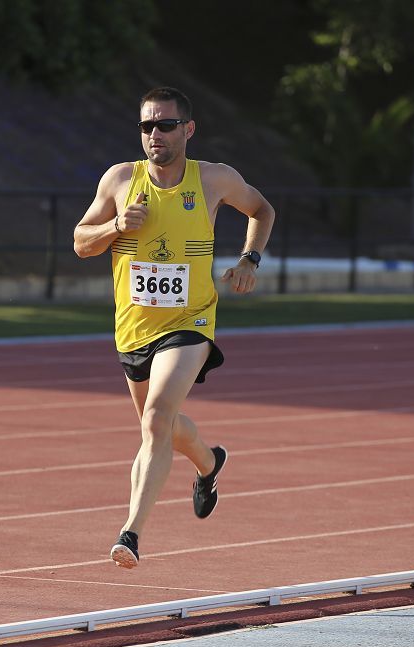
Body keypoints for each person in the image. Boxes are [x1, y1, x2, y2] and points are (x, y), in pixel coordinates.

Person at [73, 86, 275, 569]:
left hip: (191, 320)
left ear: (188, 129)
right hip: (134, 329)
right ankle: (208, 462)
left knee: (158, 419)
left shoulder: (214, 180)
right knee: (159, 424)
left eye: (165, 125)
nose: (155, 134)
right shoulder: (121, 180)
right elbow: (81, 243)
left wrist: (249, 259)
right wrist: (116, 227)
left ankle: (131, 534)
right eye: (147, 126)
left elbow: (262, 210)